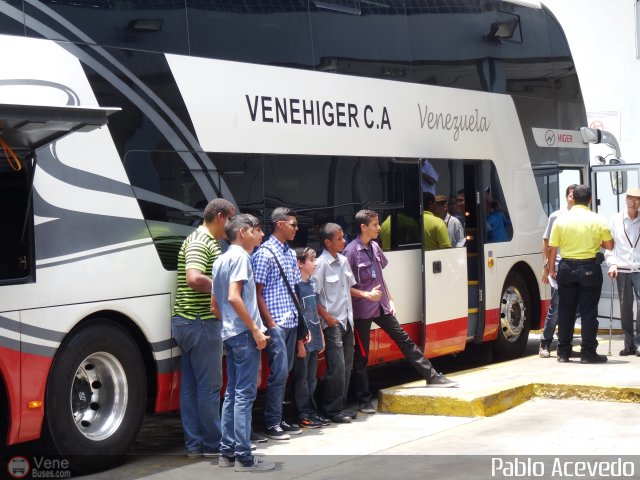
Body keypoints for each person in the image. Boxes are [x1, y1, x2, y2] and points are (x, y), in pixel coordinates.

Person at [344, 210, 458, 414]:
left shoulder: (375, 247)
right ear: (363, 227)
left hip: (381, 306)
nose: (379, 228)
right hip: (362, 309)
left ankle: (432, 376)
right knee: (362, 355)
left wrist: (391, 299)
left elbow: (380, 277)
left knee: (404, 340)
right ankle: (363, 399)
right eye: (375, 225)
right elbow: (345, 286)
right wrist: (366, 295)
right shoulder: (351, 252)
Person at [171, 198, 234, 458]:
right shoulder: (201, 241)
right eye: (229, 219)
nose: (230, 225)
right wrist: (224, 286)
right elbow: (194, 277)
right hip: (201, 322)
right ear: (220, 217)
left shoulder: (198, 238)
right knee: (209, 387)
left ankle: (194, 445)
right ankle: (212, 445)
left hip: (188, 322)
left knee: (191, 387)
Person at [211, 214, 274, 472]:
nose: (259, 236)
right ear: (243, 232)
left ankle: (227, 453)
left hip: (229, 333)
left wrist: (230, 324)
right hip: (244, 334)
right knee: (244, 396)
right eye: (256, 231)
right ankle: (244, 458)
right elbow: (235, 298)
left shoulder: (220, 259)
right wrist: (255, 330)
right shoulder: (241, 258)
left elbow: (215, 305)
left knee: (232, 394)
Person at [314, 223, 382, 421]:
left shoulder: (343, 261)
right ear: (327, 242)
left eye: (344, 237)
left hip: (347, 321)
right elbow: (314, 296)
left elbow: (348, 288)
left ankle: (340, 406)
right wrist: (326, 318)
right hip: (333, 323)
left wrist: (367, 295)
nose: (344, 241)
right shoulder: (321, 265)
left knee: (346, 367)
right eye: (339, 239)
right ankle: (331, 410)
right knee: (336, 368)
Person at [252, 207, 304, 440]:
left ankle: (279, 418)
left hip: (291, 320)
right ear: (280, 224)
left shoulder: (290, 253)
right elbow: (257, 292)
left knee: (286, 372)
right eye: (293, 224)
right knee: (280, 373)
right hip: (276, 324)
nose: (296, 228)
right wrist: (270, 323)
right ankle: (272, 423)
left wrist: (301, 324)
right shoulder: (264, 254)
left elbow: (295, 290)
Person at [548, 185, 614, 363]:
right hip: (589, 269)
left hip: (566, 268)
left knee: (565, 311)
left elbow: (552, 248)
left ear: (573, 199)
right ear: (590, 200)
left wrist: (551, 269)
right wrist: (594, 239)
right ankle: (587, 353)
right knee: (588, 312)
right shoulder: (598, 219)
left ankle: (563, 353)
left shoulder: (561, 220)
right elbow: (609, 245)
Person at [292, 247, 329, 429]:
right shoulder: (296, 287)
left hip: (314, 337)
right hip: (303, 340)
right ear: (300, 263)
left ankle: (312, 411)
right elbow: (299, 315)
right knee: (302, 379)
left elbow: (314, 312)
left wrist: (320, 334)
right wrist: (299, 341)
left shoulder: (312, 284)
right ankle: (303, 413)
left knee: (312, 378)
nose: (314, 264)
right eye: (311, 261)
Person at [539, 184, 577, 358]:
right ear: (566, 197)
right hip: (559, 267)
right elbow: (546, 242)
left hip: (578, 267)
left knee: (574, 308)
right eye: (571, 195)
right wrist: (546, 267)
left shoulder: (583, 217)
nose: (573, 198)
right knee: (557, 306)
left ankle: (564, 342)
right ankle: (545, 342)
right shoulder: (557, 216)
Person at [606, 187, 640, 357]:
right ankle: (629, 345)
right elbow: (609, 246)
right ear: (626, 199)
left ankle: (639, 343)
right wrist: (612, 264)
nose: (634, 203)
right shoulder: (615, 219)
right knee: (625, 307)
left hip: (639, 269)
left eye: (638, 199)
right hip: (622, 269)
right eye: (631, 199)